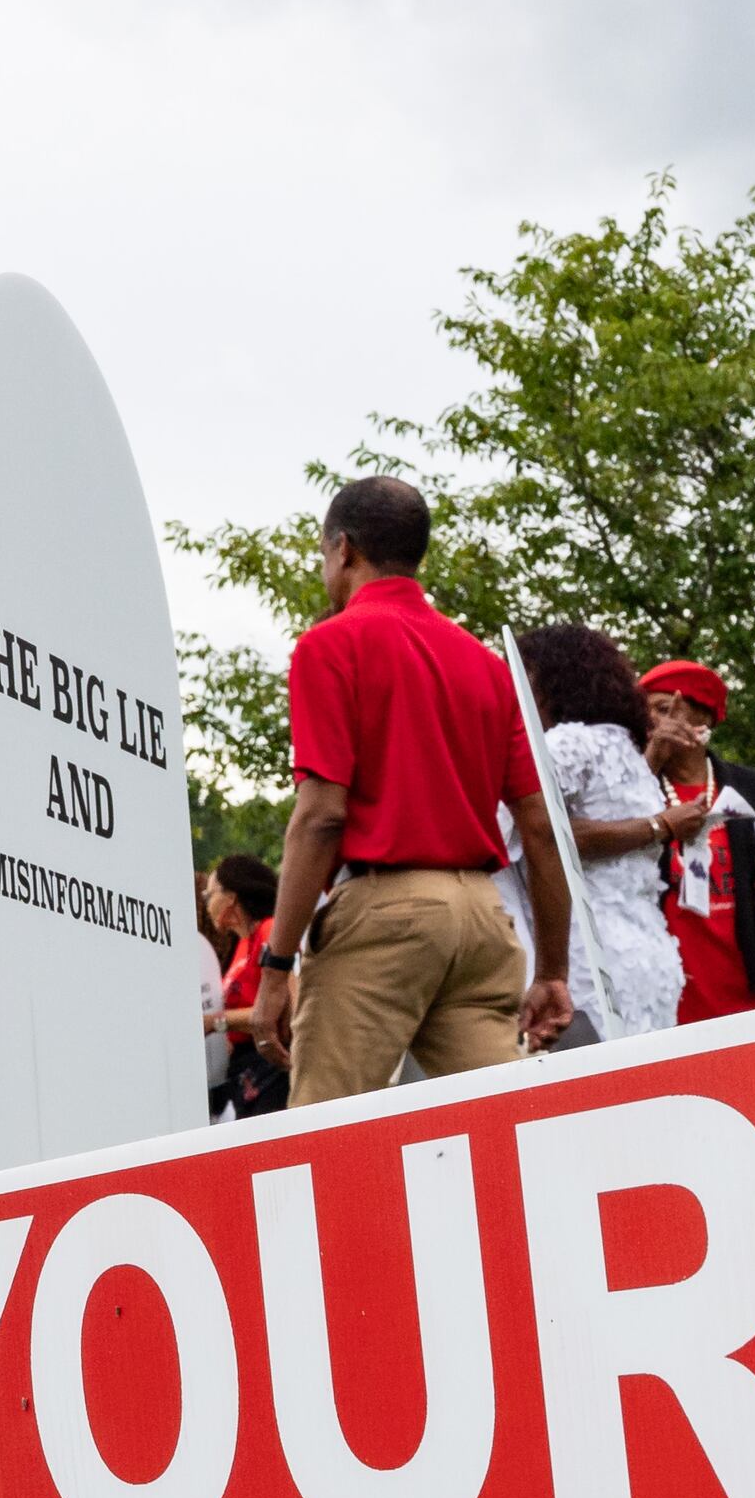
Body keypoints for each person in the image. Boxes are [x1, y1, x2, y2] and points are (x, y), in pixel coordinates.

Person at [238, 477, 572, 1105]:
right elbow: (540, 826)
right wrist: (553, 969)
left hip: (387, 912)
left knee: (327, 1135)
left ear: (344, 549)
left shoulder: (331, 644)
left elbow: (320, 818)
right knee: (510, 1125)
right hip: (481, 917)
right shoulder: (485, 665)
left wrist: (276, 966)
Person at [498, 625, 693, 1042]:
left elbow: (538, 829)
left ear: (549, 681)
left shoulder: (565, 744)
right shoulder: (627, 748)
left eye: (522, 677)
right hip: (648, 953)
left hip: (586, 951)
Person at [637, 660, 755, 1020]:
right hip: (666, 1010)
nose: (650, 722)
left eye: (662, 709)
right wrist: (649, 762)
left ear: (701, 721)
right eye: (646, 712)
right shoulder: (637, 793)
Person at [204, 855, 286, 1116]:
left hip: (272, 1071)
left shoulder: (269, 931)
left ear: (231, 897)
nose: (207, 903)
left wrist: (215, 1022)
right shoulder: (240, 946)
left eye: (211, 894)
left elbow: (280, 1008)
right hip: (246, 1074)